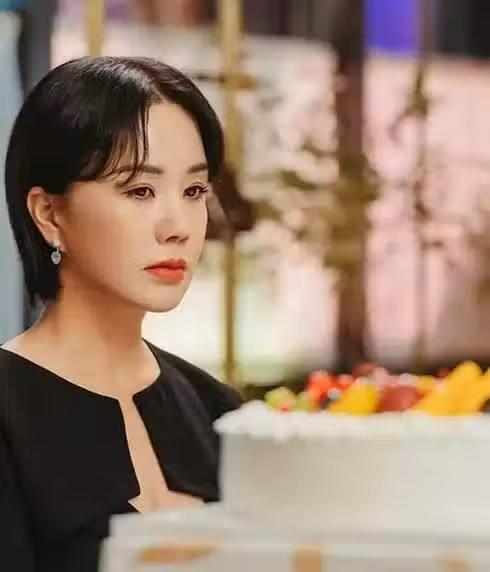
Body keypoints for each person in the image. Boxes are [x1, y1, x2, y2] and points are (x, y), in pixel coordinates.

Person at [0, 55, 242, 572]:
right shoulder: (8, 412)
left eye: (194, 191)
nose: (178, 227)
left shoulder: (219, 410)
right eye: (140, 191)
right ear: (49, 213)